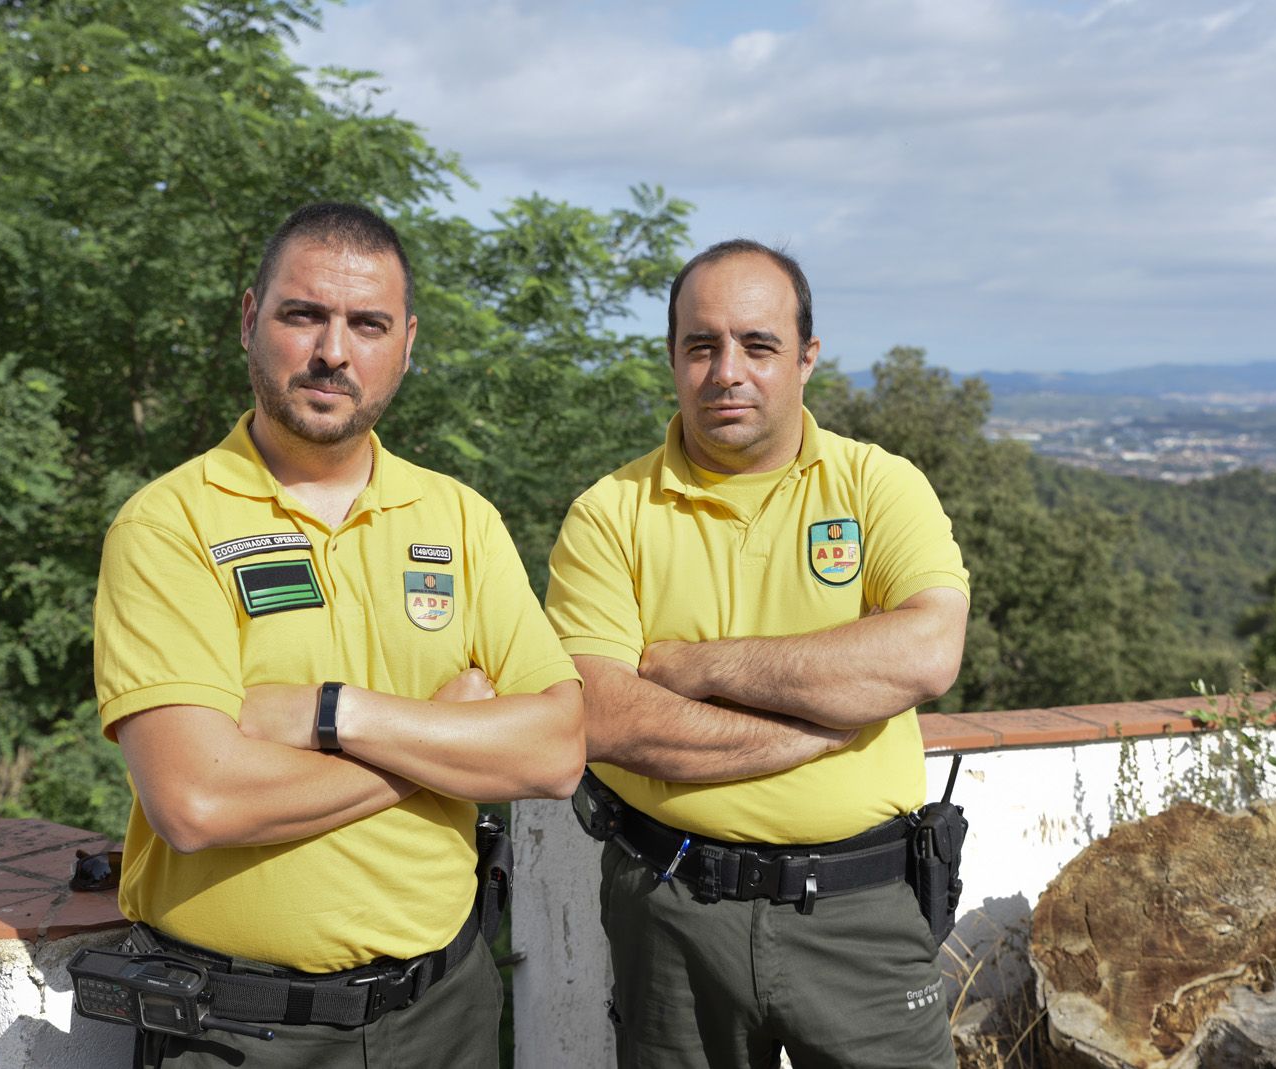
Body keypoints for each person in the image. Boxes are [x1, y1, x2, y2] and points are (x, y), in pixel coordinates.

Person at [93, 202, 584, 1068]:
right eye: (303, 315)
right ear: (251, 318)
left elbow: (553, 753)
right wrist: (439, 741)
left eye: (367, 323)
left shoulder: (460, 518)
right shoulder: (168, 524)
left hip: (448, 1013)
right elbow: (197, 801)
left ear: (406, 341)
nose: (333, 351)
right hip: (239, 1028)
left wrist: (333, 712)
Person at [546, 240, 970, 1069]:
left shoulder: (878, 485)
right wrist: (819, 727)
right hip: (671, 911)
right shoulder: (609, 513)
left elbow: (924, 652)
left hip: (861, 913)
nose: (726, 370)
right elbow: (600, 713)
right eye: (700, 345)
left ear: (807, 358)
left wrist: (699, 667)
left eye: (758, 344)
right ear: (672, 356)